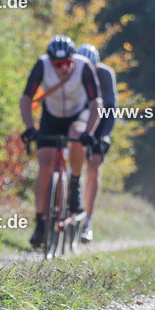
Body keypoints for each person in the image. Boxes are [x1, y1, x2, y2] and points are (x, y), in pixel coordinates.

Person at [19, 34, 103, 248]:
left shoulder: (84, 67)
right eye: (57, 64)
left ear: (72, 58)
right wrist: (30, 128)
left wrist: (89, 132)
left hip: (78, 114)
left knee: (77, 136)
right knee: (45, 166)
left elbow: (96, 103)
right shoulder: (42, 65)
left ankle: (74, 184)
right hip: (52, 117)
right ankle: (40, 222)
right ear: (50, 61)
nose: (63, 68)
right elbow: (26, 98)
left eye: (66, 62)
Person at [74, 43, 117, 242]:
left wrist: (102, 137)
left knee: (94, 166)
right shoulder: (72, 70)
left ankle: (88, 222)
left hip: (100, 121)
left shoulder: (106, 75)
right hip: (78, 118)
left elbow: (110, 110)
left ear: (97, 67)